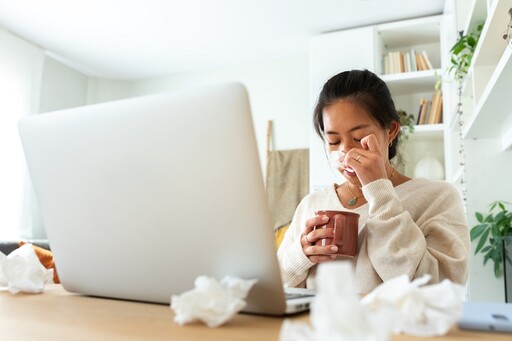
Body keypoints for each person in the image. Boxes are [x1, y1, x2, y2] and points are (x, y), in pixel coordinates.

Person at [277, 69, 469, 294]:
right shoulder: (311, 205)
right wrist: (300, 255)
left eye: (358, 138)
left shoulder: (438, 198)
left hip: (397, 330)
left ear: (390, 131)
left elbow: (439, 292)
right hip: (322, 328)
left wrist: (378, 189)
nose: (346, 151)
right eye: (333, 140)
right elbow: (277, 291)